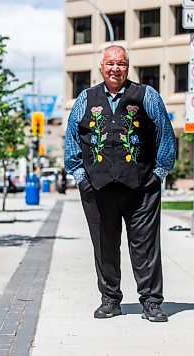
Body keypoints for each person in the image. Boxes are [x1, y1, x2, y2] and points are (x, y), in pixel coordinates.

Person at [64, 45, 176, 323]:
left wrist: (158, 174)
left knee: (146, 247)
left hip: (140, 188)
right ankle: (110, 300)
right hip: (98, 188)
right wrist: (80, 177)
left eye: (122, 63)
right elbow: (71, 138)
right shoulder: (86, 98)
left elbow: (165, 133)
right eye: (111, 63)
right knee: (104, 245)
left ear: (128, 67)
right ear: (101, 67)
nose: (116, 68)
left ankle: (151, 301)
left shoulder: (147, 95)